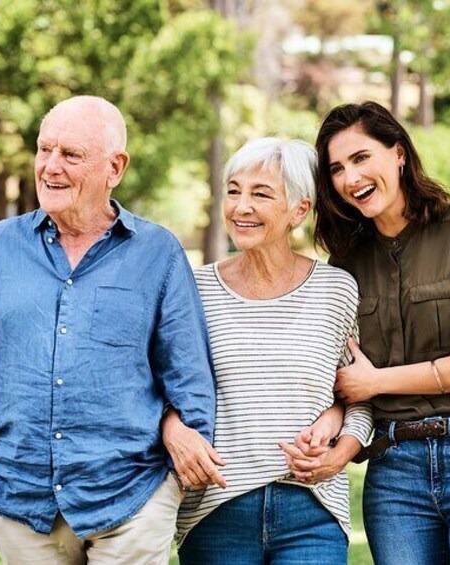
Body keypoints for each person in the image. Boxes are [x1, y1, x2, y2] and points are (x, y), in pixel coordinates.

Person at [0, 95, 222, 565]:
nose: (51, 167)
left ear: (115, 167)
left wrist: (176, 469)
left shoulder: (159, 253)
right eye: (44, 149)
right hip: (19, 501)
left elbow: (189, 374)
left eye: (71, 155)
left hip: (132, 498)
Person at [313, 101, 450, 565]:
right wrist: (330, 424)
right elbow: (346, 374)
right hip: (394, 470)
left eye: (360, 158)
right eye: (336, 168)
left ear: (398, 153)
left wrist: (378, 383)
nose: (350, 178)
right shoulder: (345, 265)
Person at [163, 138, 373, 564]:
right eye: (234, 190)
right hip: (216, 510)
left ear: (299, 209)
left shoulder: (336, 290)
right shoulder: (194, 289)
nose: (241, 206)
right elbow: (157, 387)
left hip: (312, 514)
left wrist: (341, 450)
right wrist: (173, 431)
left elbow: (358, 393)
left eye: (261, 194)